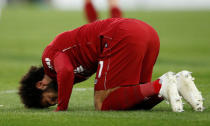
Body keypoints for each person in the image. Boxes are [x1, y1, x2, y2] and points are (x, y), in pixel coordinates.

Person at [18, 18, 204, 112]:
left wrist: (61, 109)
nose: (56, 100)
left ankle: (161, 84)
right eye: (54, 103)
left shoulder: (48, 59)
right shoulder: (71, 73)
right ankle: (177, 83)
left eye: (49, 99)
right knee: (134, 102)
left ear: (40, 85)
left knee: (101, 103)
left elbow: (65, 71)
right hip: (146, 32)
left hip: (121, 35)